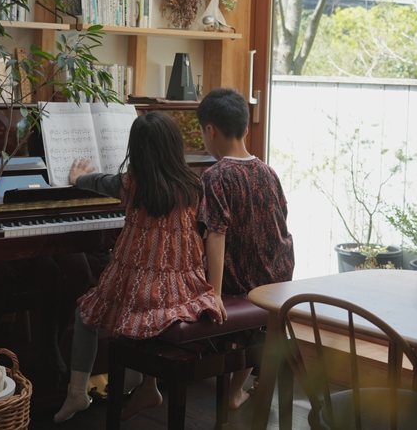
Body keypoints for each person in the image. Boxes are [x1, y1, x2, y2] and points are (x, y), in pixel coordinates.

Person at [54, 111, 222, 423]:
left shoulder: (131, 184)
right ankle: (141, 381)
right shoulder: (193, 185)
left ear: (137, 150)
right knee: (143, 308)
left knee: (87, 313)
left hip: (142, 288)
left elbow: (99, 181)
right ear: (174, 147)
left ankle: (77, 391)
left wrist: (77, 178)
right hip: (182, 289)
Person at [197, 87, 295, 409]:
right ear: (245, 128)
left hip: (240, 283)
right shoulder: (268, 172)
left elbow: (215, 235)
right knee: (258, 327)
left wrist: (213, 292)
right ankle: (234, 391)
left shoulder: (216, 175)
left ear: (210, 130)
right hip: (276, 280)